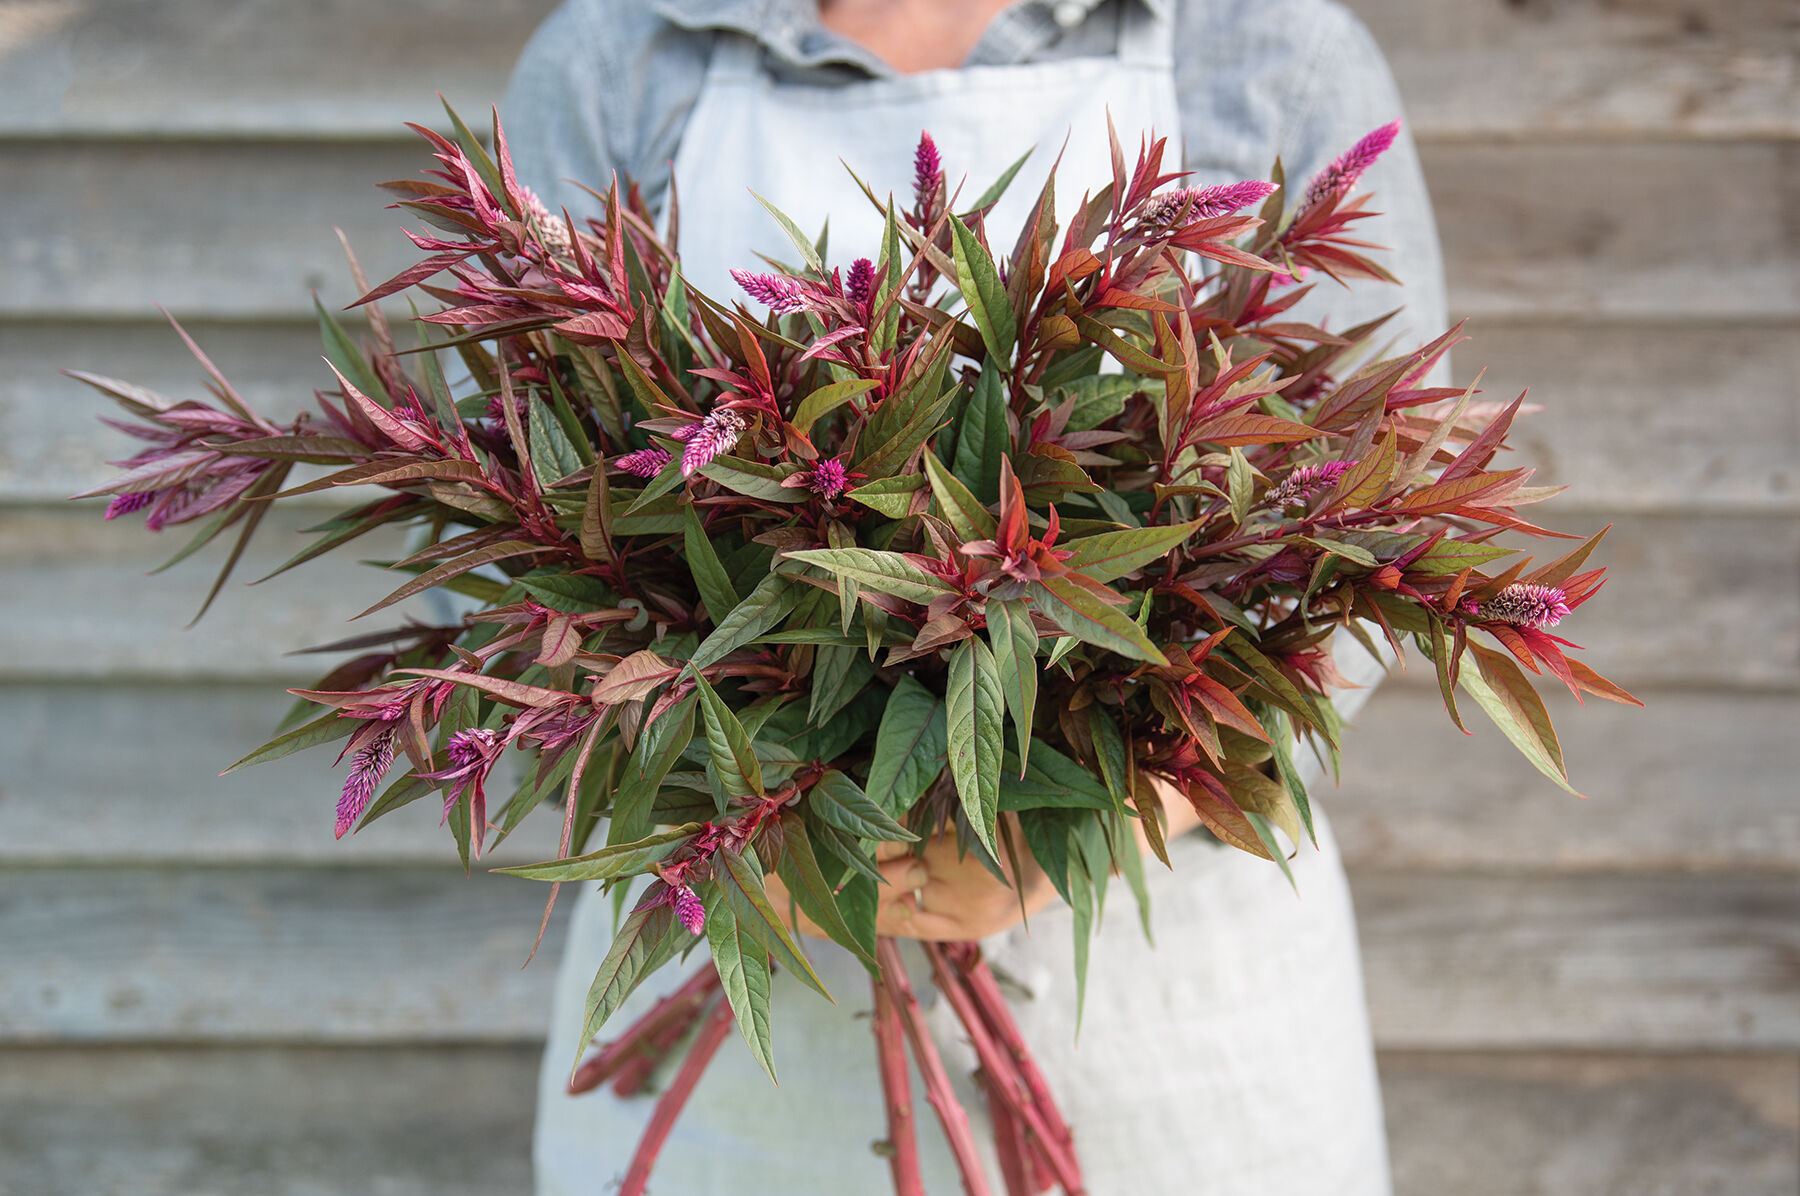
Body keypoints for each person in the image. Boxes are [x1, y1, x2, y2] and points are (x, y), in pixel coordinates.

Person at [502, 2, 1449, 1191]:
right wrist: (739, 824)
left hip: (1178, 1034)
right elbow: (513, 519)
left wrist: (1096, 815)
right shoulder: (613, 57)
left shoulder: (1268, 49)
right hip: (748, 991)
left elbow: (1378, 542)